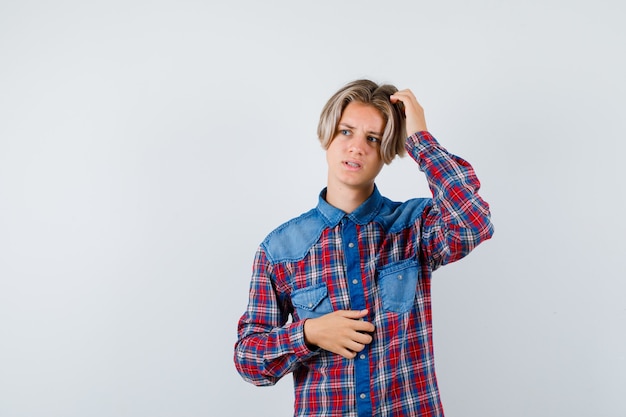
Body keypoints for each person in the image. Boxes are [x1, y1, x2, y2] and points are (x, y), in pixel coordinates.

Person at [234, 79, 494, 417]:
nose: (357, 147)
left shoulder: (413, 226)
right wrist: (308, 333)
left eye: (373, 139)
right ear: (327, 136)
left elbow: (473, 222)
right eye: (346, 132)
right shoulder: (281, 249)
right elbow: (249, 360)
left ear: (387, 151)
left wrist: (420, 140)